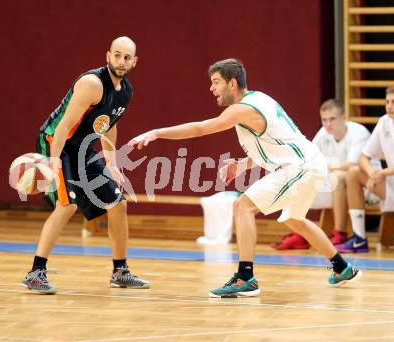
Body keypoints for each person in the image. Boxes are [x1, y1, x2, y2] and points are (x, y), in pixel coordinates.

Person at [128, 58, 361, 297]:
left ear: (232, 84)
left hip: (300, 168)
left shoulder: (242, 109)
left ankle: (246, 277)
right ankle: (342, 267)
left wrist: (156, 133)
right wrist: (242, 164)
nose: (211, 88)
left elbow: (201, 128)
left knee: (243, 207)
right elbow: (274, 142)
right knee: (295, 220)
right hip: (307, 164)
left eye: (216, 82)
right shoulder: (258, 100)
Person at [21, 36, 149, 294]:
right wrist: (51, 164)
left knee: (118, 203)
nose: (121, 61)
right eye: (117, 55)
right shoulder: (91, 84)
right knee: (66, 206)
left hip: (82, 148)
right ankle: (35, 273)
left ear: (134, 62)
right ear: (108, 56)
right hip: (56, 141)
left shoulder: (126, 91)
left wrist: (112, 165)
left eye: (126, 57)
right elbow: (63, 127)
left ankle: (120, 271)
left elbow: (108, 126)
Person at [271, 99, 379, 250]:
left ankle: (340, 233)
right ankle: (300, 234)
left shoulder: (358, 132)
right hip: (336, 187)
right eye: (324, 120)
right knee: (298, 179)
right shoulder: (323, 133)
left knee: (340, 176)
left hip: (367, 187)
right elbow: (309, 158)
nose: (328, 124)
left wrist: (327, 167)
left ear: (344, 117)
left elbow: (353, 165)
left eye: (332, 119)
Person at [337, 86, 394, 253]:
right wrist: (371, 174)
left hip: (387, 177)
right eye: (387, 102)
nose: (389, 106)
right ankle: (359, 238)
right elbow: (363, 157)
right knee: (353, 173)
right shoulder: (384, 122)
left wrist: (381, 173)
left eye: (393, 102)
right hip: (389, 184)